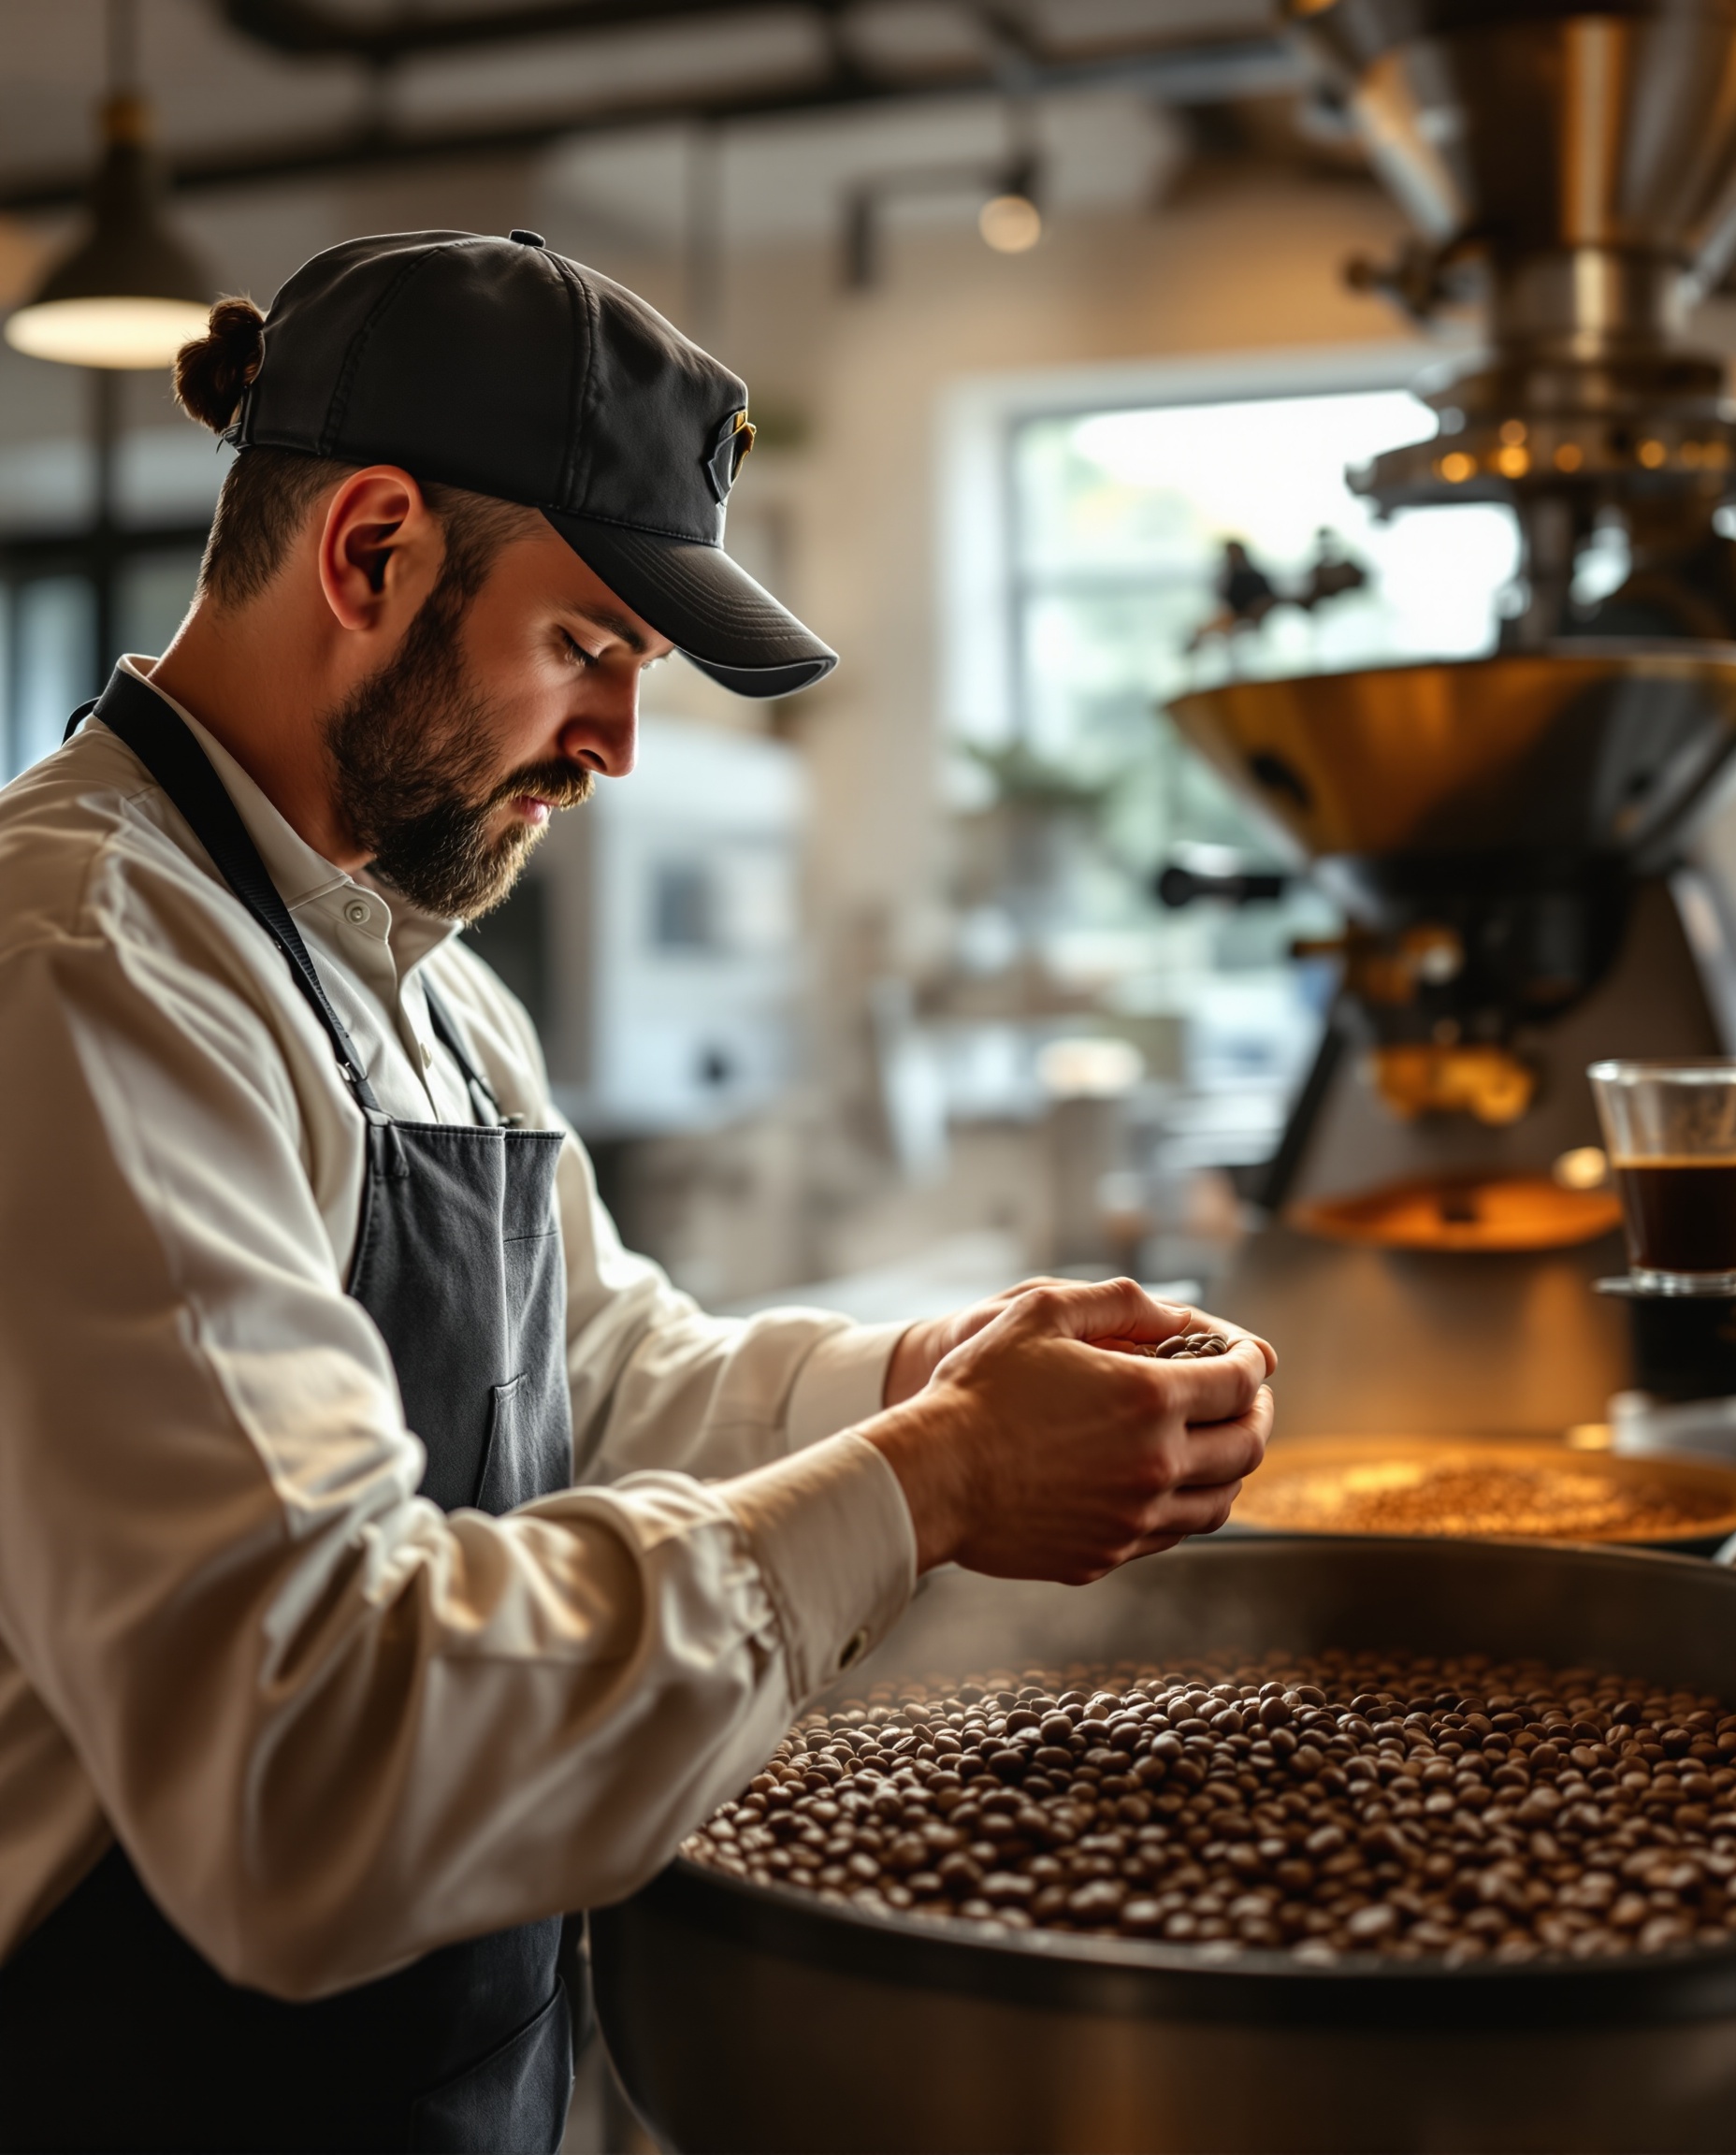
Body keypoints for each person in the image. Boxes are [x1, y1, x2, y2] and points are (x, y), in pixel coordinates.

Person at [0, 230, 1275, 2153]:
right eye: (589, 649)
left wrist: (939, 1370)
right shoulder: (83, 972)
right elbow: (304, 1755)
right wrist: (934, 1481)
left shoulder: (416, 983)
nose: (612, 745)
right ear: (369, 553)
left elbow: (599, 1382)